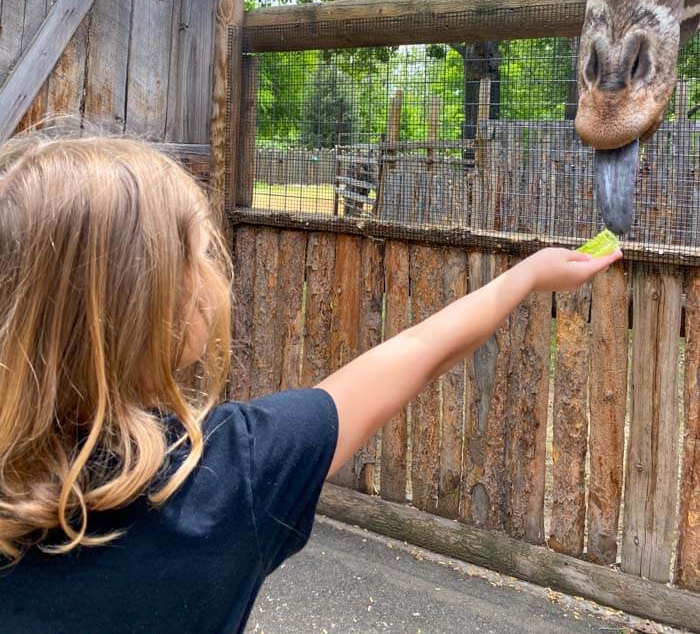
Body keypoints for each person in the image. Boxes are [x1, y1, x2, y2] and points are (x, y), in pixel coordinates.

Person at [0, 133, 621, 633]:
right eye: (196, 254)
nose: (213, 271)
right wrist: (526, 279)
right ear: (153, 304)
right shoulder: (226, 475)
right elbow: (415, 354)